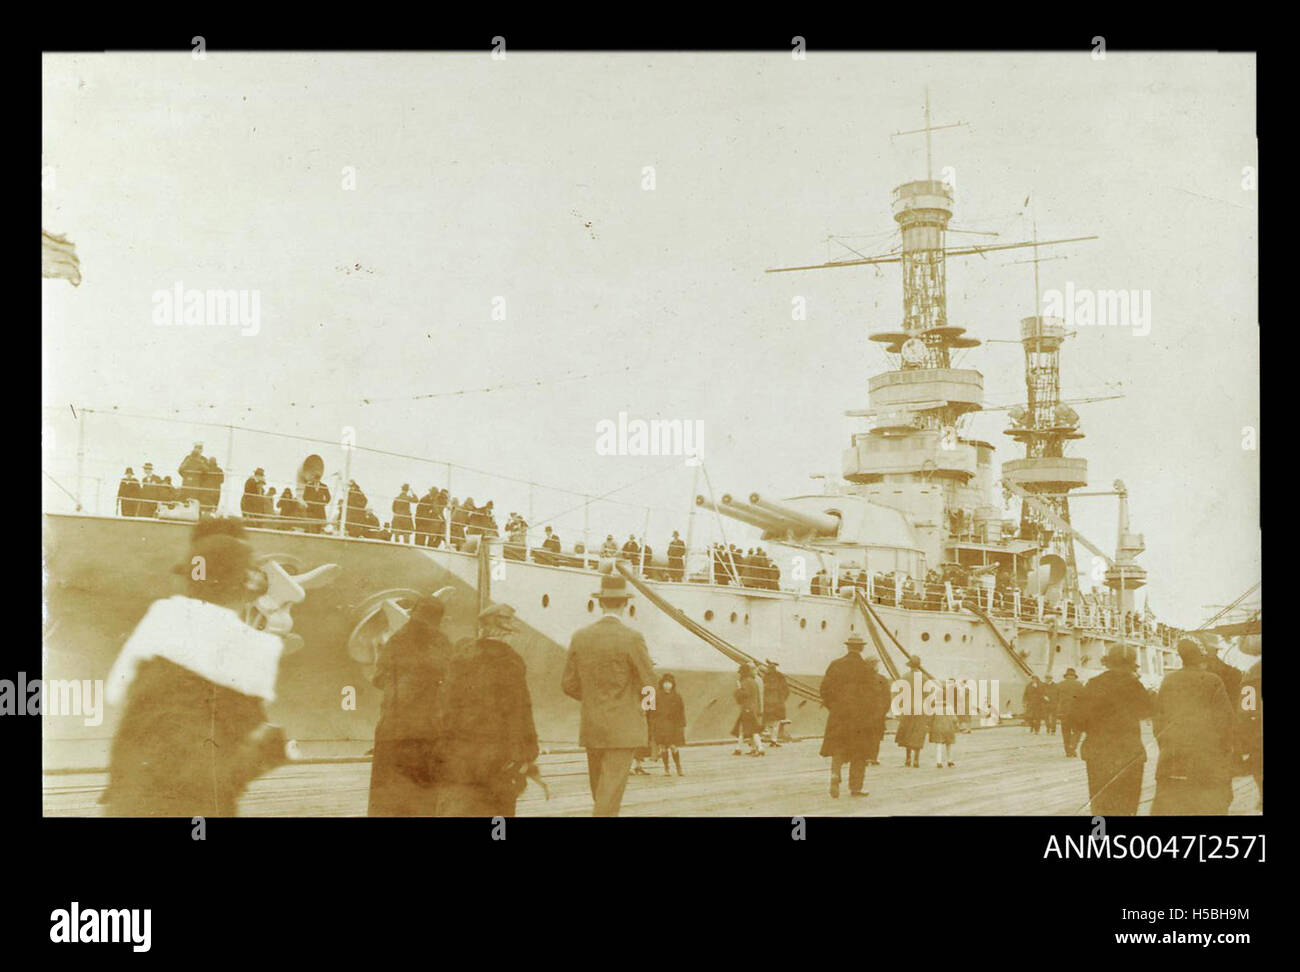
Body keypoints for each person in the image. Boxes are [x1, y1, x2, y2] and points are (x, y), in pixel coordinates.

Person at [102, 519, 286, 816]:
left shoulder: (161, 616)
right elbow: (250, 735)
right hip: (202, 803)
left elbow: (115, 692)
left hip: (132, 794)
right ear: (244, 586)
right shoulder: (262, 648)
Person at [561, 572, 655, 816]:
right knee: (610, 793)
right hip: (623, 728)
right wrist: (643, 708)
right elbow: (649, 684)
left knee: (600, 791)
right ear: (626, 603)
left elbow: (568, 684)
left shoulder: (580, 637)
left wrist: (593, 698)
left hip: (592, 725)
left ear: (600, 603)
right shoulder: (633, 638)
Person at [435, 603, 540, 817]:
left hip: (461, 753)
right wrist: (528, 752)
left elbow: (444, 706)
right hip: (498, 756)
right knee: (499, 812)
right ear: (507, 634)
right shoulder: (511, 661)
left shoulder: (461, 657)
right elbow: (520, 711)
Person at [367, 592, 453, 816]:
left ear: (415, 613)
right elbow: (451, 684)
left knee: (388, 795)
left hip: (391, 729)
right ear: (438, 618)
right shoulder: (441, 642)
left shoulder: (397, 638)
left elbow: (378, 679)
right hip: (426, 730)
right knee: (423, 797)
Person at [1150, 639, 1235, 815]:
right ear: (1201, 658)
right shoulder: (1213, 680)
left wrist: (1167, 746)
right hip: (1207, 760)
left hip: (1173, 759)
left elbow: (1158, 720)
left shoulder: (1169, 680)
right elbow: (1225, 721)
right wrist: (1225, 751)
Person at [1070, 644, 1154, 816]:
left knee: (1100, 804)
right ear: (1132, 664)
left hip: (1098, 753)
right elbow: (1148, 711)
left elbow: (1076, 720)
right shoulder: (1134, 685)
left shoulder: (1093, 684)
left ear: (1108, 662)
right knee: (1127, 804)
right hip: (1128, 754)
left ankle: (1100, 839)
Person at [820, 634, 884, 797]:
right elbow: (873, 696)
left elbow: (825, 690)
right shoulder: (866, 669)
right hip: (860, 720)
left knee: (838, 748)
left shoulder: (835, 665)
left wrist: (834, 707)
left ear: (847, 647)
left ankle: (835, 775)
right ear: (861, 648)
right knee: (859, 753)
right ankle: (856, 787)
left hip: (838, 716)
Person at [895, 655, 929, 767]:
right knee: (918, 733)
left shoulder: (904, 677)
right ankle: (916, 760)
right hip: (920, 709)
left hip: (907, 708)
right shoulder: (924, 678)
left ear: (909, 666)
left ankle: (908, 758)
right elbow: (927, 695)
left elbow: (900, 694)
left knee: (907, 733)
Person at [649, 672, 686, 776]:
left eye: (669, 683)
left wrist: (681, 725)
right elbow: (652, 712)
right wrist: (653, 724)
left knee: (674, 747)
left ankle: (678, 766)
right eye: (665, 683)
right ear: (662, 684)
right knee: (663, 747)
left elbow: (681, 711)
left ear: (673, 684)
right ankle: (666, 769)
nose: (667, 685)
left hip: (673, 725)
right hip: (660, 725)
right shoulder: (656, 695)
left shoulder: (677, 696)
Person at [862, 655, 891, 765]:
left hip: (865, 714)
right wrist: (884, 711)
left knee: (864, 736)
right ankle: (873, 757)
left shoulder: (860, 678)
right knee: (876, 737)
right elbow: (887, 697)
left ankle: (864, 757)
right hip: (877, 715)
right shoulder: (881, 679)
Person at [731, 663, 764, 756]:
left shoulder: (745, 682)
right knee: (744, 729)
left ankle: (760, 748)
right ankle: (738, 748)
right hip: (753, 708)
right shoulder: (754, 681)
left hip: (747, 709)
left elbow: (743, 695)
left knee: (752, 730)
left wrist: (738, 689)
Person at [1056, 668, 1083, 757]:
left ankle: (1067, 750)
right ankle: (1073, 746)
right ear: (1074, 676)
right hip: (1076, 712)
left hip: (1063, 713)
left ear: (1066, 676)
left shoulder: (1059, 685)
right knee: (1077, 731)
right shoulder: (1079, 684)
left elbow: (1055, 699)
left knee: (1065, 731)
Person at [762, 661, 790, 745]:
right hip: (777, 704)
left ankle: (772, 739)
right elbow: (786, 690)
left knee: (769, 722)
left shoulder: (765, 678)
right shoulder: (780, 677)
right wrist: (782, 699)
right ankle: (773, 740)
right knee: (775, 723)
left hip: (768, 704)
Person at [177, 442, 207, 506]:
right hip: (186, 483)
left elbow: (207, 472)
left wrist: (199, 479)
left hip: (198, 485)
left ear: (202, 450)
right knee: (184, 502)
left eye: (199, 448)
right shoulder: (187, 458)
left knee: (194, 504)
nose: (197, 449)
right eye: (196, 447)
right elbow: (180, 470)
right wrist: (186, 477)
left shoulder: (204, 459)